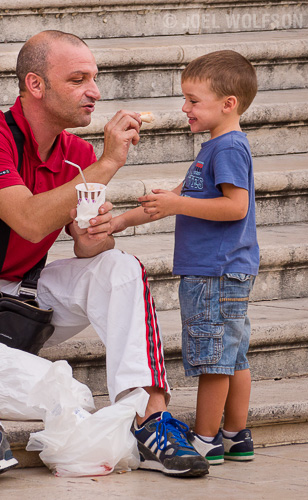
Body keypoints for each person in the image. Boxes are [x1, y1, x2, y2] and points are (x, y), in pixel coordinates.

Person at [0, 30, 208, 487]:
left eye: (94, 77)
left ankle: (152, 418)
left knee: (119, 267)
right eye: (78, 79)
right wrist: (109, 165)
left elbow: (86, 247)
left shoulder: (77, 154)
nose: (94, 91)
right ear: (36, 85)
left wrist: (97, 232)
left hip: (24, 299)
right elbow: (30, 222)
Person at [109, 50, 259, 465]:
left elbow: (236, 208)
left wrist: (178, 205)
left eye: (194, 100)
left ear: (228, 104)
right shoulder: (215, 148)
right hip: (226, 270)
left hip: (214, 270)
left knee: (213, 361)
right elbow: (175, 200)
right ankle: (236, 435)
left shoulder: (226, 148)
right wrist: (120, 221)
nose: (184, 108)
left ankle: (207, 439)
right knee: (233, 355)